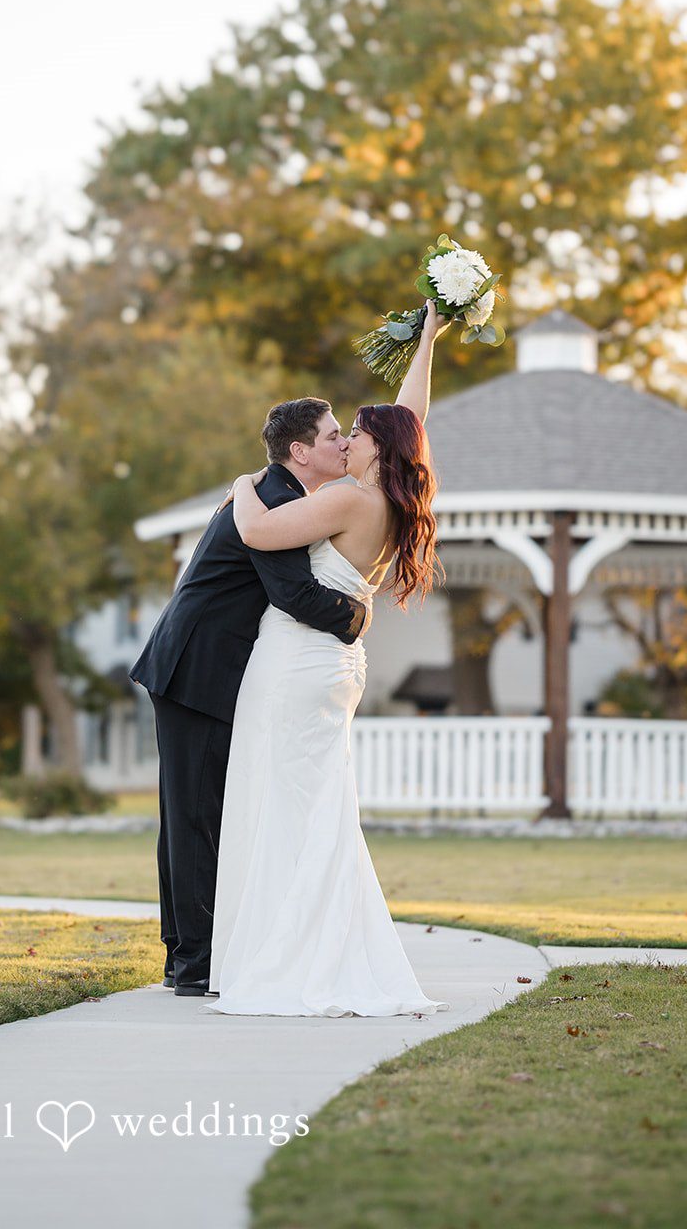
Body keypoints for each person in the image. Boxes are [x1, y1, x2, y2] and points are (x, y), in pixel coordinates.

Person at [207, 299, 450, 1017]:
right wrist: (427, 339)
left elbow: (257, 532)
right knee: (320, 812)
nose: (347, 441)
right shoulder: (393, 502)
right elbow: (412, 417)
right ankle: (318, 947)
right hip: (336, 669)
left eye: (357, 434)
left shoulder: (349, 500)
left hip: (295, 664)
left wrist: (243, 485)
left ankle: (282, 958)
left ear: (376, 450)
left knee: (279, 806)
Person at [129, 398, 369, 995]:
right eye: (333, 436)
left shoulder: (269, 493)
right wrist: (357, 616)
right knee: (195, 816)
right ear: (300, 451)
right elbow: (294, 595)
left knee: (189, 814)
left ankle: (183, 955)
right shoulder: (277, 502)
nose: (344, 444)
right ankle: (194, 964)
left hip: (195, 666)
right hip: (197, 672)